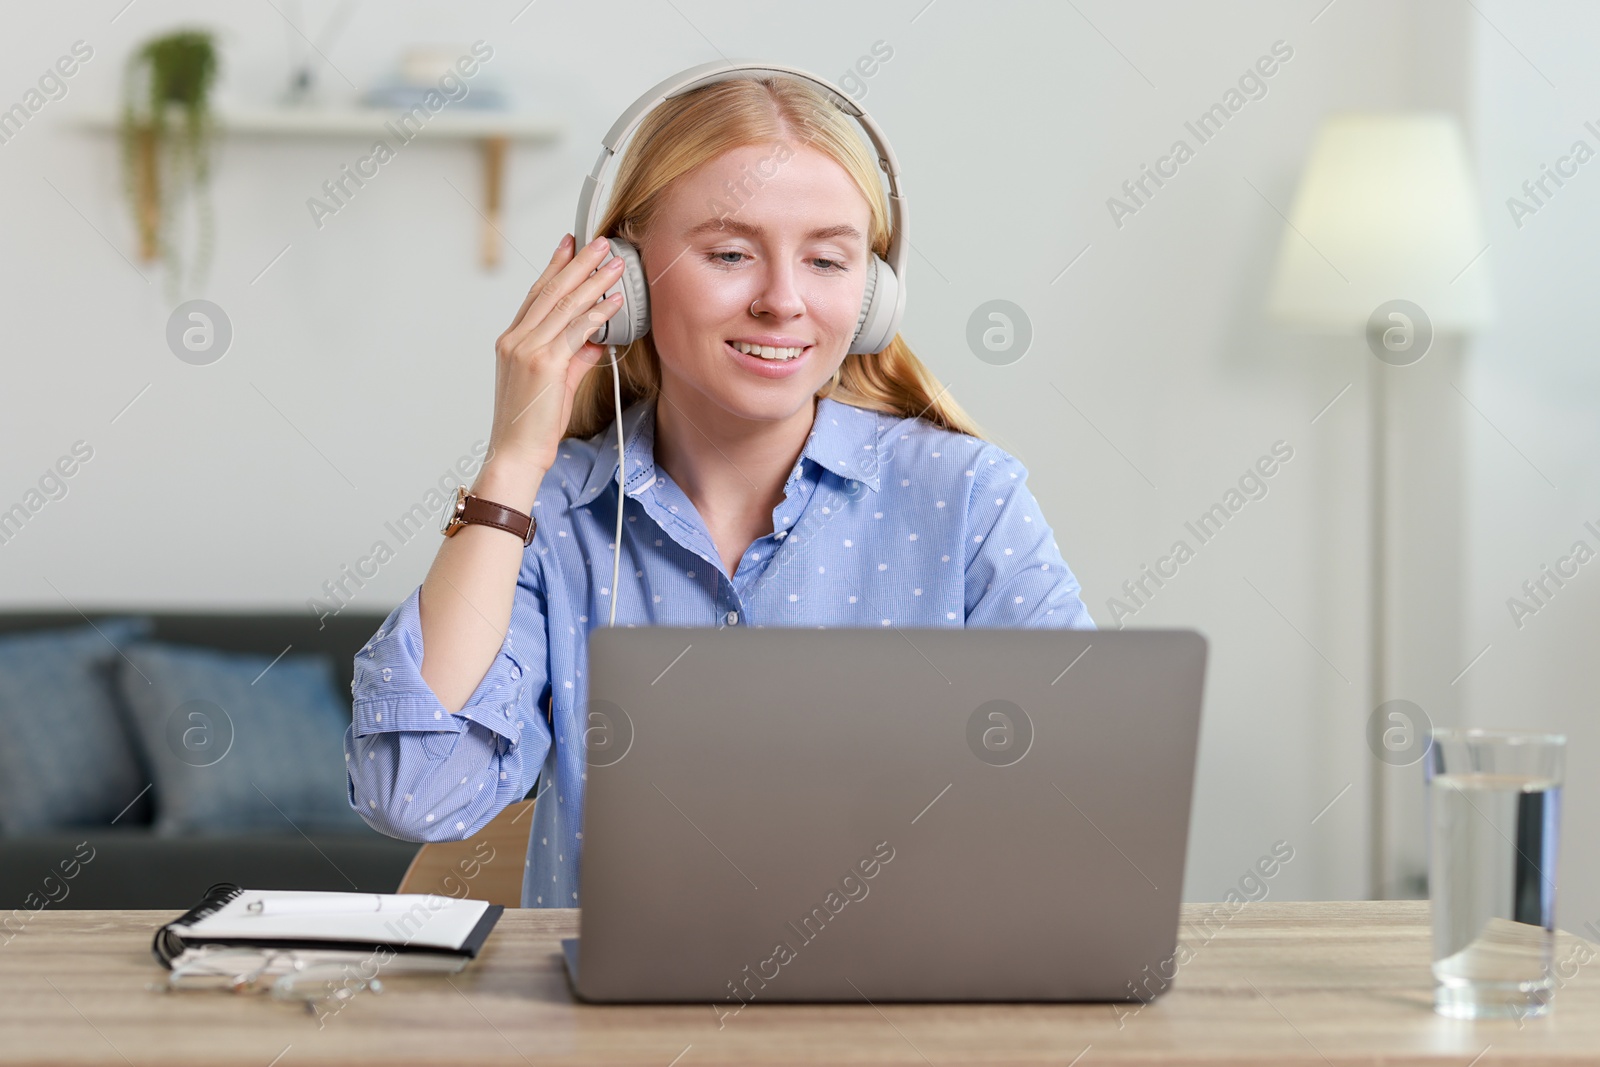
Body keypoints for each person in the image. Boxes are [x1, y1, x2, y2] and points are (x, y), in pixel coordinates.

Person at [345, 73, 1094, 907]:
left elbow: (1084, 803)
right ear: (621, 281)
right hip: (609, 1038)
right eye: (730, 253)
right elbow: (415, 789)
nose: (782, 300)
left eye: (827, 259)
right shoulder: (552, 516)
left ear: (874, 294)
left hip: (892, 1023)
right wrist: (513, 464)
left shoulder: (967, 498)